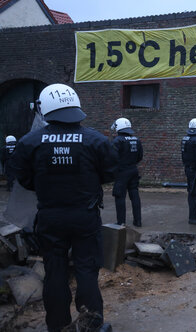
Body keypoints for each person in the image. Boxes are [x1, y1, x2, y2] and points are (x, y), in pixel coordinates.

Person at [9, 83, 115, 332]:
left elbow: (23, 179)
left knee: (54, 271)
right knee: (87, 269)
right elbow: (109, 173)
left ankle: (57, 325)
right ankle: (91, 323)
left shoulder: (29, 142)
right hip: (85, 216)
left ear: (45, 108)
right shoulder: (96, 141)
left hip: (50, 216)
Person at [110, 117, 143, 227]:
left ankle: (121, 222)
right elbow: (140, 156)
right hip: (133, 170)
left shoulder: (117, 141)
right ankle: (138, 221)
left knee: (119, 196)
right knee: (135, 195)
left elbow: (113, 158)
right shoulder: (136, 139)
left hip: (122, 172)